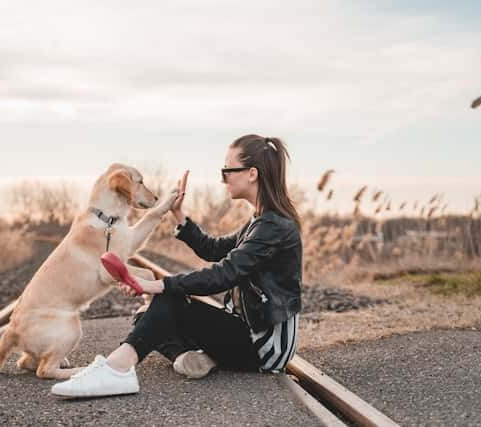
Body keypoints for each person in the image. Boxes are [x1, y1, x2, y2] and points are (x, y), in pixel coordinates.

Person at [51, 134, 303, 398]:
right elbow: (214, 249)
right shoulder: (261, 221)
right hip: (246, 331)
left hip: (264, 346)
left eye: (227, 170)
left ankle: (117, 368)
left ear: (252, 174)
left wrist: (160, 284)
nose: (222, 178)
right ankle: (188, 357)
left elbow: (225, 273)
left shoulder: (273, 227)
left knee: (166, 302)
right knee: (146, 317)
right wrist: (178, 214)